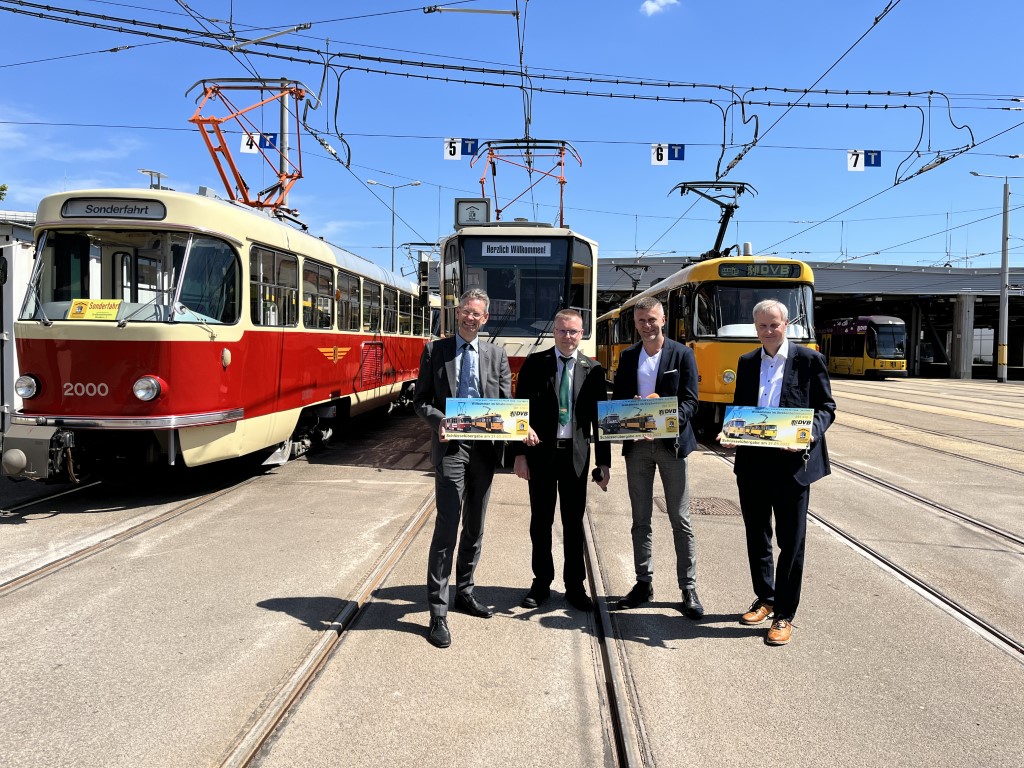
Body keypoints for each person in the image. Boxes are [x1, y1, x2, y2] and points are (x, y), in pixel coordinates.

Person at [723, 298, 836, 646]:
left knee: (791, 541)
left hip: (792, 465)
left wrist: (808, 434)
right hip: (753, 464)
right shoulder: (746, 361)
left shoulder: (809, 360)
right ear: (755, 328)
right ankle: (766, 598)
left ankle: (785, 614)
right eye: (762, 326)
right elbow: (741, 407)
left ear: (785, 325)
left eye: (774, 324)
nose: (768, 331)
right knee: (757, 536)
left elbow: (826, 408)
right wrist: (731, 432)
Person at [413, 288, 512, 649]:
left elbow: (504, 403)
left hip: (484, 452)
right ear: (458, 313)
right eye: (466, 312)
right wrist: (438, 420)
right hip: (451, 447)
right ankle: (438, 611)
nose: (471, 318)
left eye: (478, 314)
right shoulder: (435, 351)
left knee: (475, 525)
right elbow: (420, 400)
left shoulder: (496, 354)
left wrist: (521, 428)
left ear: (486, 319)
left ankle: (464, 592)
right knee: (447, 525)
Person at [512, 309, 611, 612]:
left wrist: (604, 463)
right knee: (540, 522)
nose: (568, 337)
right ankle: (541, 582)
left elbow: (601, 419)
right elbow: (519, 409)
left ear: (582, 334)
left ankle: (575, 585)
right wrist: (518, 453)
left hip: (576, 457)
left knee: (573, 523)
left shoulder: (593, 369)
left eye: (574, 332)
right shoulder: (535, 363)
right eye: (563, 331)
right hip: (541, 454)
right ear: (553, 331)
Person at [612, 297, 703, 619]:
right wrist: (631, 408)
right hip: (637, 447)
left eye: (652, 320)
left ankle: (688, 587)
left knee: (680, 519)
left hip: (671, 447)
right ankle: (642, 583)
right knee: (640, 519)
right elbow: (619, 401)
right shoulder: (628, 356)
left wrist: (662, 419)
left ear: (662, 320)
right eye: (641, 321)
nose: (647, 326)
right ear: (635, 324)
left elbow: (691, 402)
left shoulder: (683, 354)